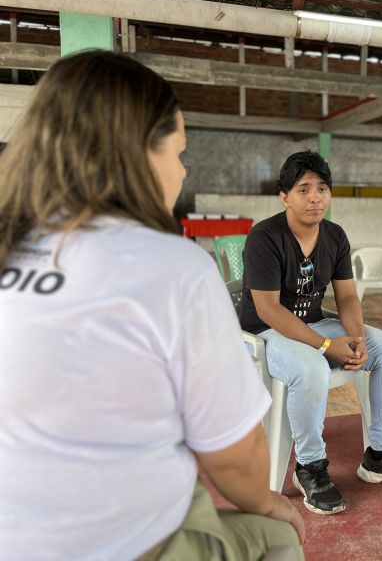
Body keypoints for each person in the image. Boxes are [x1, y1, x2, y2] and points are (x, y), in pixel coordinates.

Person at [0, 51, 304, 559]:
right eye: (178, 152)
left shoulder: (12, 243)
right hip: (118, 545)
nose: (182, 172)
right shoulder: (174, 267)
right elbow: (236, 459)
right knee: (278, 537)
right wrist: (270, 502)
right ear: (139, 152)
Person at [240, 151, 382, 515]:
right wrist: (327, 345)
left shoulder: (335, 235)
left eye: (322, 188)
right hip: (267, 333)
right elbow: (267, 309)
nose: (315, 197)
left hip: (313, 322)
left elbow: (346, 295)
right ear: (284, 196)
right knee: (312, 367)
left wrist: (356, 340)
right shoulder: (264, 237)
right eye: (303, 189)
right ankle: (310, 466)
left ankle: (380, 452)